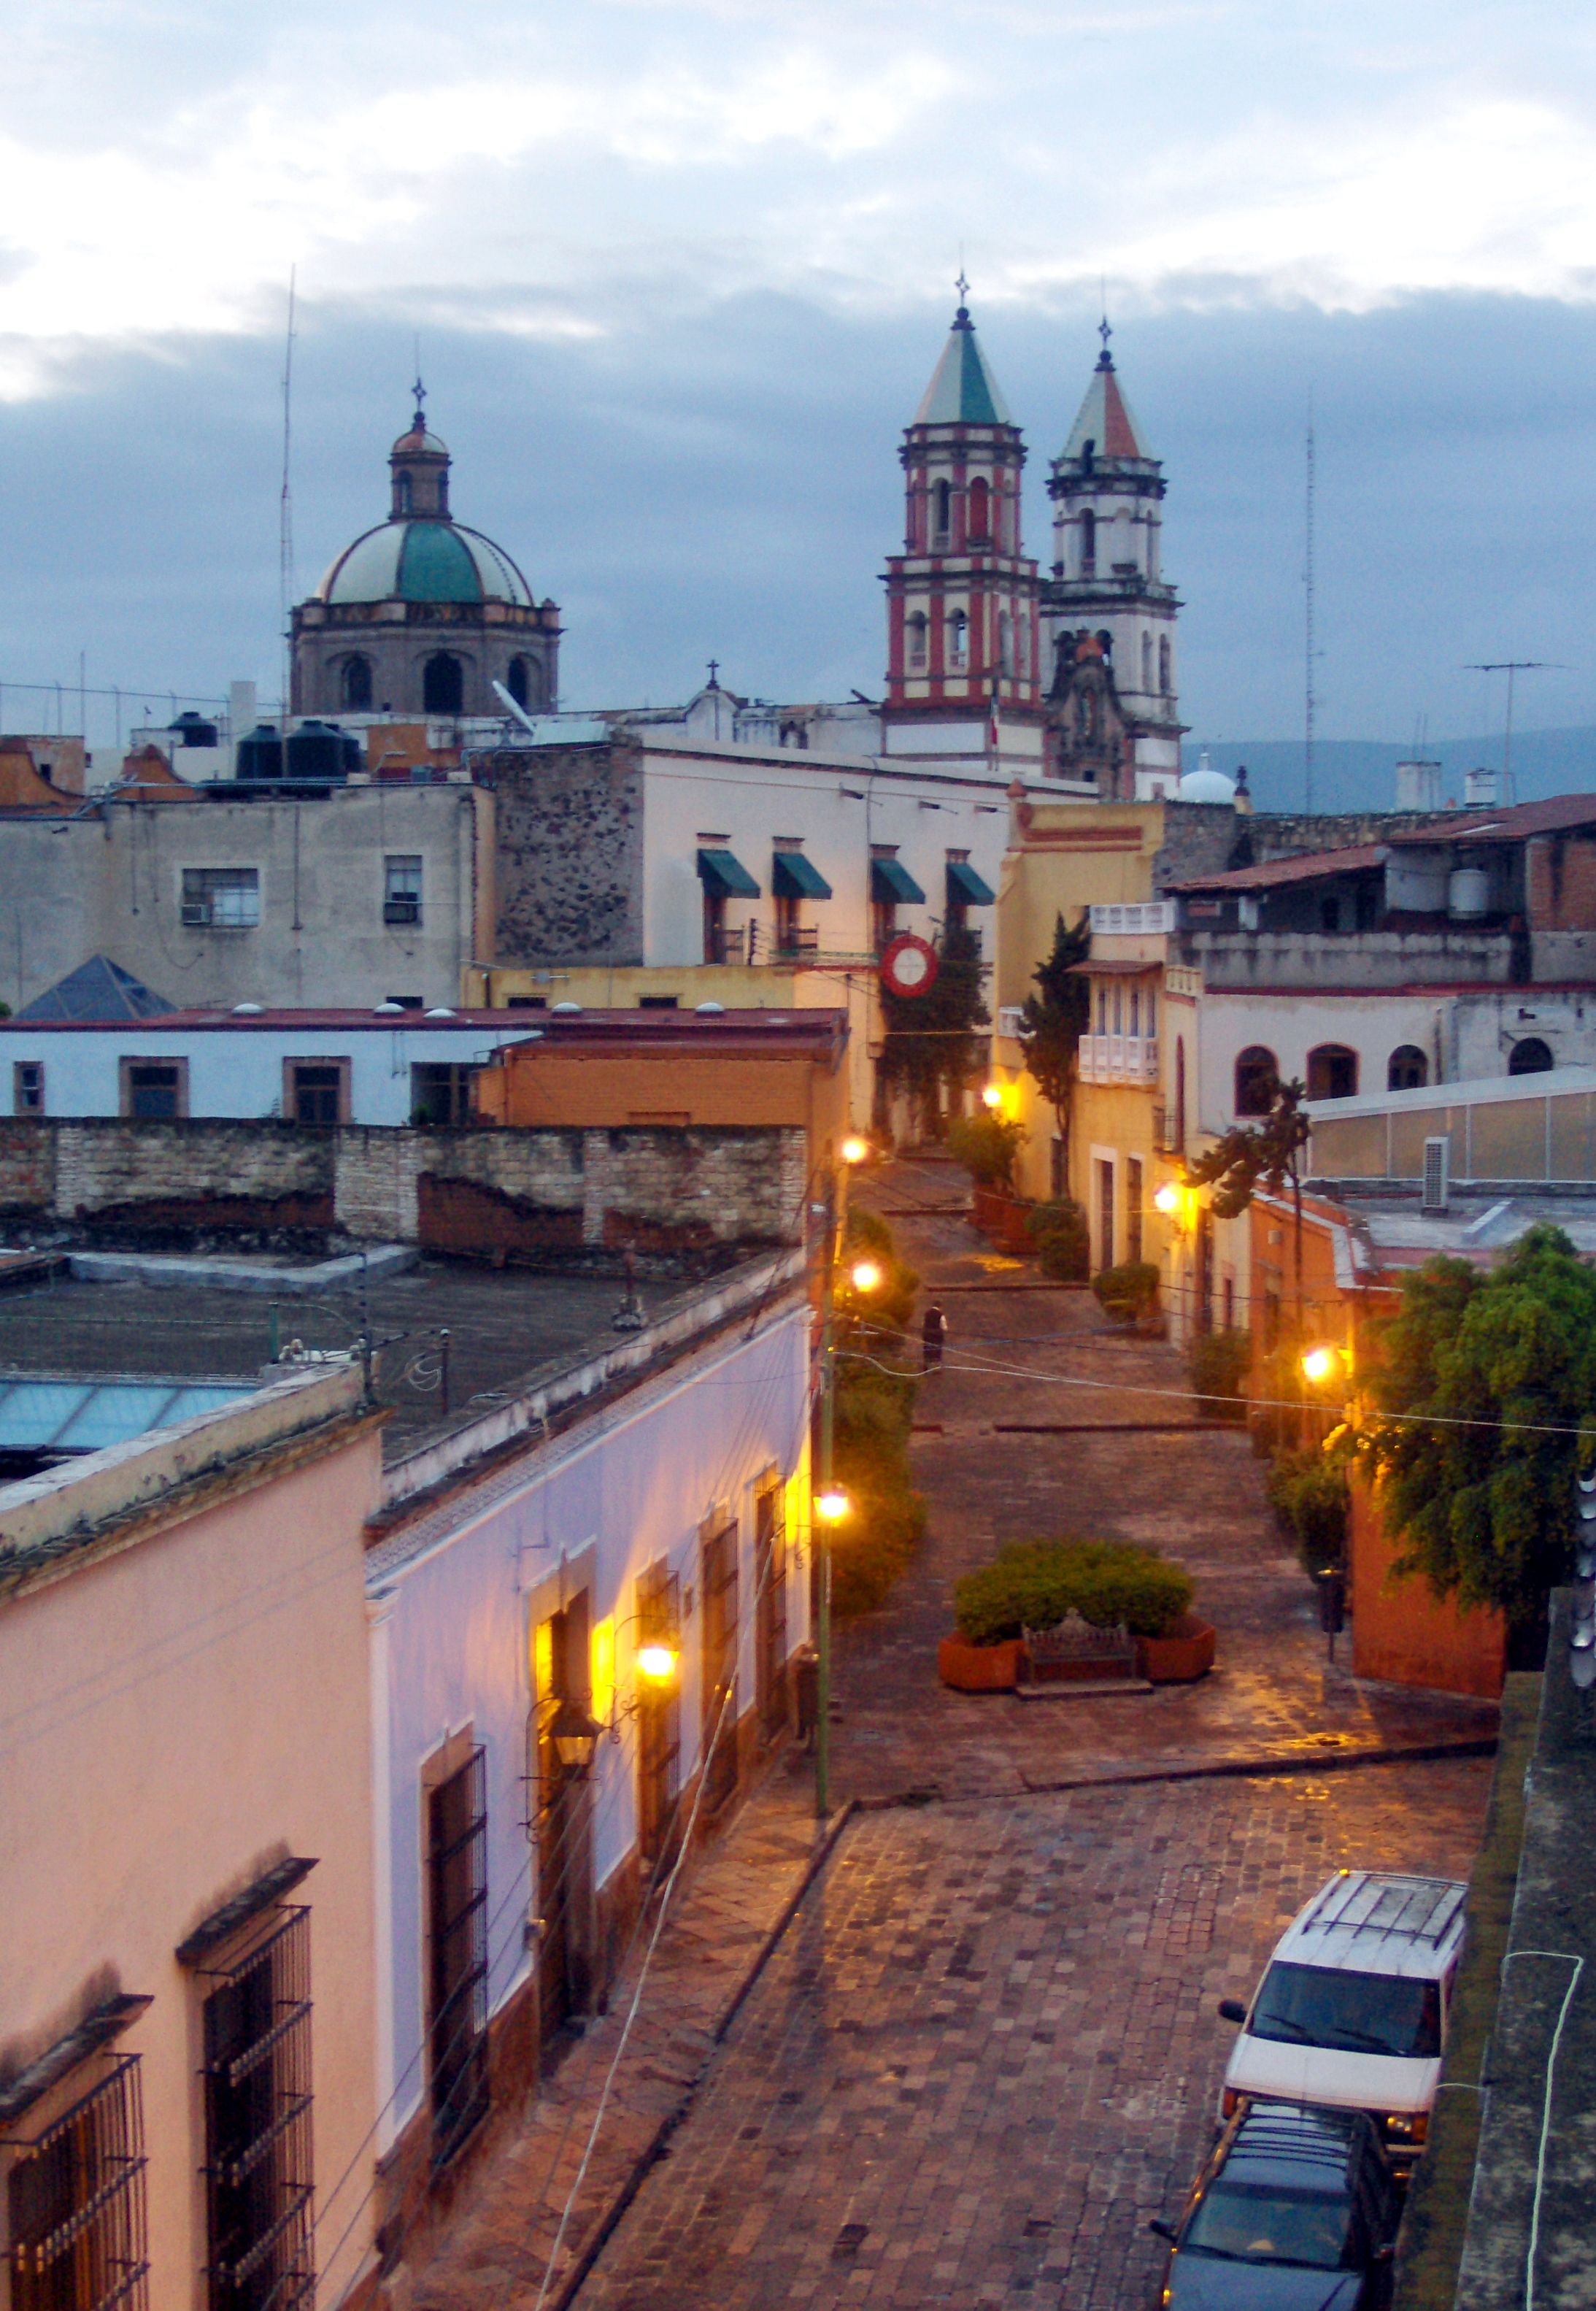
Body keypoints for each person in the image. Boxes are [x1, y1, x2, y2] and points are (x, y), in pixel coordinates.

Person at [921, 1301, 947, 1372]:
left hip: (927, 1334)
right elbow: (944, 1327)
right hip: (937, 1336)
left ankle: (926, 1365)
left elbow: (923, 1323)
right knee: (937, 1351)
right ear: (940, 1307)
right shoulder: (941, 1314)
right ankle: (936, 1368)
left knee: (927, 1349)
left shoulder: (926, 1313)